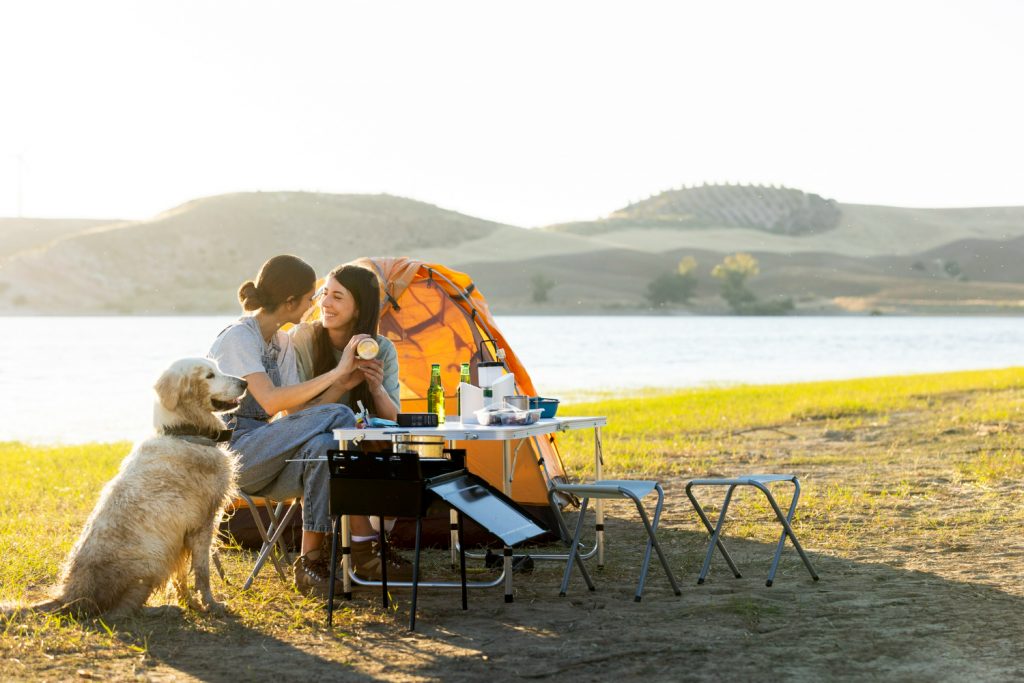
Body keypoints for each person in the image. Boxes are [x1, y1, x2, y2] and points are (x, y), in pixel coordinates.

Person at [208, 255, 410, 599]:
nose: (316, 304)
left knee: (324, 449)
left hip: (269, 452)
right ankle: (362, 545)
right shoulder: (239, 338)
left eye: (331, 296)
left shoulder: (282, 342)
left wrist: (347, 380)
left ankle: (310, 563)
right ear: (290, 302)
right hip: (234, 452)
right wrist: (338, 374)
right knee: (342, 420)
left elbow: (300, 411)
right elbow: (272, 402)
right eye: (311, 297)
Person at [289, 263, 405, 547]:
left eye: (337, 297)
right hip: (313, 449)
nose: (325, 303)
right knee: (330, 445)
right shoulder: (305, 339)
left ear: (359, 308)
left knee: (396, 452)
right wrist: (341, 382)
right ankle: (364, 543)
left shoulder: (381, 348)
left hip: (364, 451)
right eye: (324, 293)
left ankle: (374, 539)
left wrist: (376, 388)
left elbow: (395, 420)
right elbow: (294, 417)